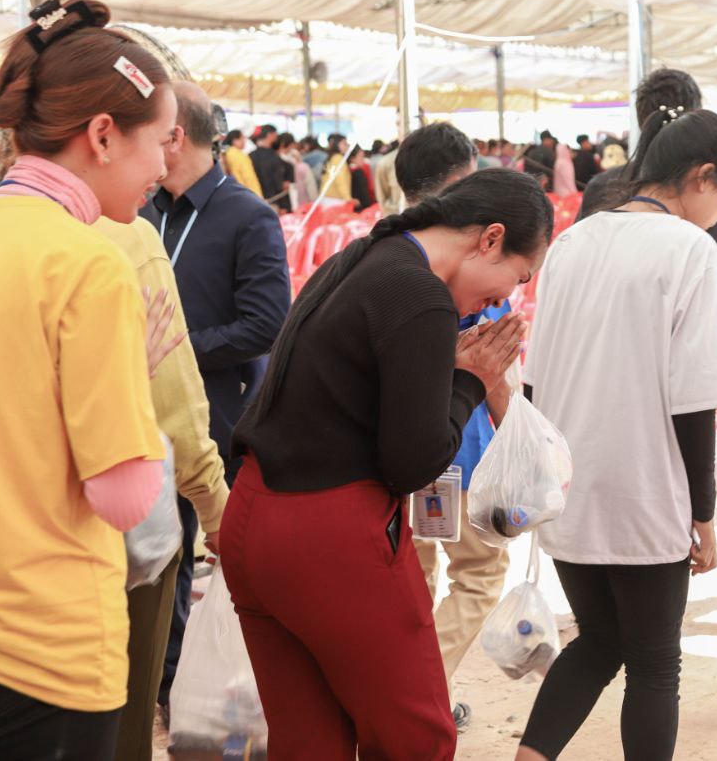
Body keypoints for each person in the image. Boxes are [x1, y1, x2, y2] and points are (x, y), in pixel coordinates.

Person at [0, 0, 176, 759]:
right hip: (43, 652)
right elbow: (124, 496)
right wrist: (134, 384)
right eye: (161, 140)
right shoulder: (91, 263)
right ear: (103, 134)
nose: (165, 167)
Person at [220, 168, 552, 759]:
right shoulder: (420, 294)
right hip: (332, 537)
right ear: (491, 238)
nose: (506, 298)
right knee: (414, 738)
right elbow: (412, 464)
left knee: (307, 741)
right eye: (519, 276)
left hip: (253, 519)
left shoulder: (361, 258)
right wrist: (470, 383)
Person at [517, 108, 717, 761]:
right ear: (703, 177)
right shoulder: (690, 249)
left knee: (599, 639)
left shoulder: (573, 242)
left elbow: (534, 381)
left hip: (570, 482)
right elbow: (693, 402)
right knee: (654, 663)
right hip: (646, 487)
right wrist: (703, 513)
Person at [139, 82, 291, 713]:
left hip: (216, 412)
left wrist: (175, 349)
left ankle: (245, 689)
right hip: (139, 409)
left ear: (175, 136)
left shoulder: (246, 215)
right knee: (161, 556)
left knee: (229, 552)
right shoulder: (142, 212)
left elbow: (266, 323)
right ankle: (171, 686)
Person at [93, 213, 230, 761]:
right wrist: (215, 506)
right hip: (108, 532)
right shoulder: (125, 237)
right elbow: (174, 403)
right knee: (117, 713)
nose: (157, 173)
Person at [394, 122, 513, 731]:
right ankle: (423, 692)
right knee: (481, 574)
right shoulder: (473, 256)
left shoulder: (381, 251)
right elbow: (497, 361)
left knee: (412, 578)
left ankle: (403, 692)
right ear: (461, 179)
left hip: (398, 453)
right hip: (457, 447)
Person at [579, 68, 717, 260]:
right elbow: (712, 265)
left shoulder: (601, 186)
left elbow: (580, 256)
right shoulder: (701, 191)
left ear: (642, 121)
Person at [250, 124, 292, 210]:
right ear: (270, 135)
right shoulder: (272, 156)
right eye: (276, 134)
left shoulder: (250, 155)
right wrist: (284, 205)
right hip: (274, 200)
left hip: (256, 199)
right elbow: (277, 181)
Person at [222, 129, 261, 195]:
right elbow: (248, 177)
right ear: (235, 140)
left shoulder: (227, 154)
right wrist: (257, 195)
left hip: (237, 192)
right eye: (242, 138)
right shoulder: (238, 155)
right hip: (249, 193)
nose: (244, 141)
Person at [320, 133, 354, 202]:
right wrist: (348, 199)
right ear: (336, 144)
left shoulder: (332, 158)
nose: (347, 146)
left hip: (327, 197)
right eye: (344, 143)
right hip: (336, 199)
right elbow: (340, 180)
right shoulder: (339, 159)